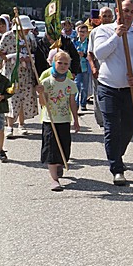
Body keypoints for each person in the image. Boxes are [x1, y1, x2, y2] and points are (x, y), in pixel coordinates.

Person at [89, 0, 133, 185]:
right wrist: (116, 35)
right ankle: (117, 168)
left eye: (132, 12)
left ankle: (117, 154)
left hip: (130, 89)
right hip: (108, 86)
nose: (128, 14)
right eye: (126, 10)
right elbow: (99, 54)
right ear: (118, 10)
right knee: (111, 127)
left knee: (127, 127)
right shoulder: (102, 30)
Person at [37, 50, 80, 191]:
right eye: (59, 62)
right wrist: (40, 93)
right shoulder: (46, 82)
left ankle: (60, 164)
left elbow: (72, 103)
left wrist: (76, 120)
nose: (62, 66)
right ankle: (54, 179)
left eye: (65, 64)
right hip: (50, 120)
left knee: (64, 147)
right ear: (53, 63)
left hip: (64, 120)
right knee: (51, 149)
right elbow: (43, 103)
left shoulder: (70, 84)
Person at [0, 15, 38, 136]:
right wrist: (12, 56)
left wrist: (29, 59)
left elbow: (33, 51)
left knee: (24, 99)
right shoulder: (8, 36)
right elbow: (0, 53)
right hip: (12, 72)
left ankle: (22, 124)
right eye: (26, 28)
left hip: (26, 73)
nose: (27, 30)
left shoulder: (29, 37)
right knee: (12, 99)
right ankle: (10, 126)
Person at [87, 6, 115, 128]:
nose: (107, 18)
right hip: (99, 66)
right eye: (104, 16)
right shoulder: (94, 32)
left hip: (113, 66)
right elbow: (90, 53)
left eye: (109, 16)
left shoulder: (116, 31)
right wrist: (93, 68)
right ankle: (101, 120)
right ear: (99, 18)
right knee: (99, 93)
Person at [73, 22, 90, 111]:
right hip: (77, 67)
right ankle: (76, 104)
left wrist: (83, 55)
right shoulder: (74, 41)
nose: (82, 33)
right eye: (80, 31)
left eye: (84, 31)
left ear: (87, 33)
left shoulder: (89, 42)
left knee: (84, 87)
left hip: (86, 67)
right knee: (76, 86)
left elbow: (91, 55)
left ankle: (83, 103)